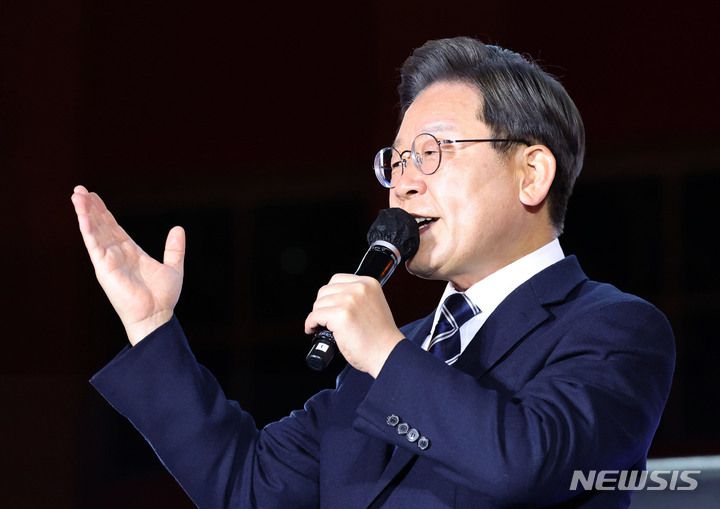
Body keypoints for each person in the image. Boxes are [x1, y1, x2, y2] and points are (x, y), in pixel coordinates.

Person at [72, 37, 675, 508]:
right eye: (398, 160)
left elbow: (529, 463)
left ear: (532, 174)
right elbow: (246, 487)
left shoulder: (614, 329)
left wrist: (386, 354)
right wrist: (151, 326)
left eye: (432, 153)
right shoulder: (387, 358)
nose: (404, 183)